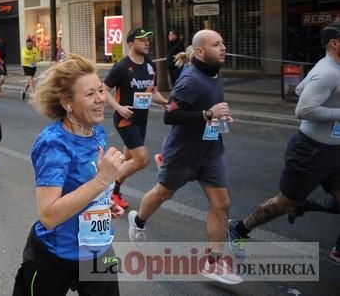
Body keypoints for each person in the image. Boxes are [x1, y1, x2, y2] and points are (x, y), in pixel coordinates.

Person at [126, 29, 242, 285]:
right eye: (216, 44)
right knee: (162, 194)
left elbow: (210, 108)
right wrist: (208, 114)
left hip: (211, 152)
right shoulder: (190, 79)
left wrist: (220, 116)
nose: (223, 47)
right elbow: (170, 115)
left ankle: (213, 263)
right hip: (183, 154)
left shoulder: (215, 72)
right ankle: (139, 220)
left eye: (223, 42)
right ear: (200, 51)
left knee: (221, 203)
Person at [12, 54, 126, 296]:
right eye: (89, 94)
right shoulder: (54, 145)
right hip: (55, 255)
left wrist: (103, 205)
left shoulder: (97, 132)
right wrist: (101, 181)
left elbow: (87, 187)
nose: (100, 100)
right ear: (67, 103)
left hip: (98, 250)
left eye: (100, 90)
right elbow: (49, 215)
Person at [228, 21, 340, 261]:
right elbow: (304, 110)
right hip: (311, 152)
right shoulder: (327, 72)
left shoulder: (330, 68)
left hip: (335, 150)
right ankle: (239, 228)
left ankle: (306, 209)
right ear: (334, 43)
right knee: (283, 203)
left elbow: (300, 88)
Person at [103, 28, 168, 209]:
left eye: (148, 39)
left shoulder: (150, 65)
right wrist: (118, 108)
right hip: (126, 120)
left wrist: (165, 102)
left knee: (125, 160)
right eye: (142, 40)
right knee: (142, 159)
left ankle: (114, 193)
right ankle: (106, 188)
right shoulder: (122, 67)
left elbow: (153, 92)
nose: (147, 43)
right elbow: (104, 89)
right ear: (131, 44)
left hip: (141, 119)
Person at [21, 37, 41, 102]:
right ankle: (34, 96)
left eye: (30, 45)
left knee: (29, 82)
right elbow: (24, 57)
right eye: (28, 45)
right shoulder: (24, 50)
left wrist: (37, 59)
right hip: (26, 67)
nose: (29, 46)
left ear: (32, 44)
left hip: (33, 67)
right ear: (26, 44)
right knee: (31, 82)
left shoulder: (35, 49)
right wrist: (32, 57)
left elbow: (38, 57)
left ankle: (24, 91)